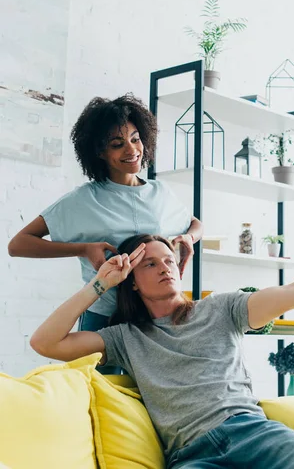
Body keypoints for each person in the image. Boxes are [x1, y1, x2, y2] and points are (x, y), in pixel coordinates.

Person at [30, 232, 294, 468]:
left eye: (169, 260)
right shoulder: (125, 338)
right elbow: (45, 342)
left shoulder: (222, 309)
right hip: (192, 457)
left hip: (254, 435)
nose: (165, 268)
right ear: (132, 283)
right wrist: (100, 283)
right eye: (150, 264)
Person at [8, 94, 202, 338]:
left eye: (135, 139)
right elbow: (18, 245)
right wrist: (82, 249)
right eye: (117, 144)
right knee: (95, 378)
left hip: (156, 316)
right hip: (104, 315)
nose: (132, 150)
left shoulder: (160, 192)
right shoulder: (82, 200)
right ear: (99, 152)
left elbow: (195, 224)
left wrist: (189, 238)